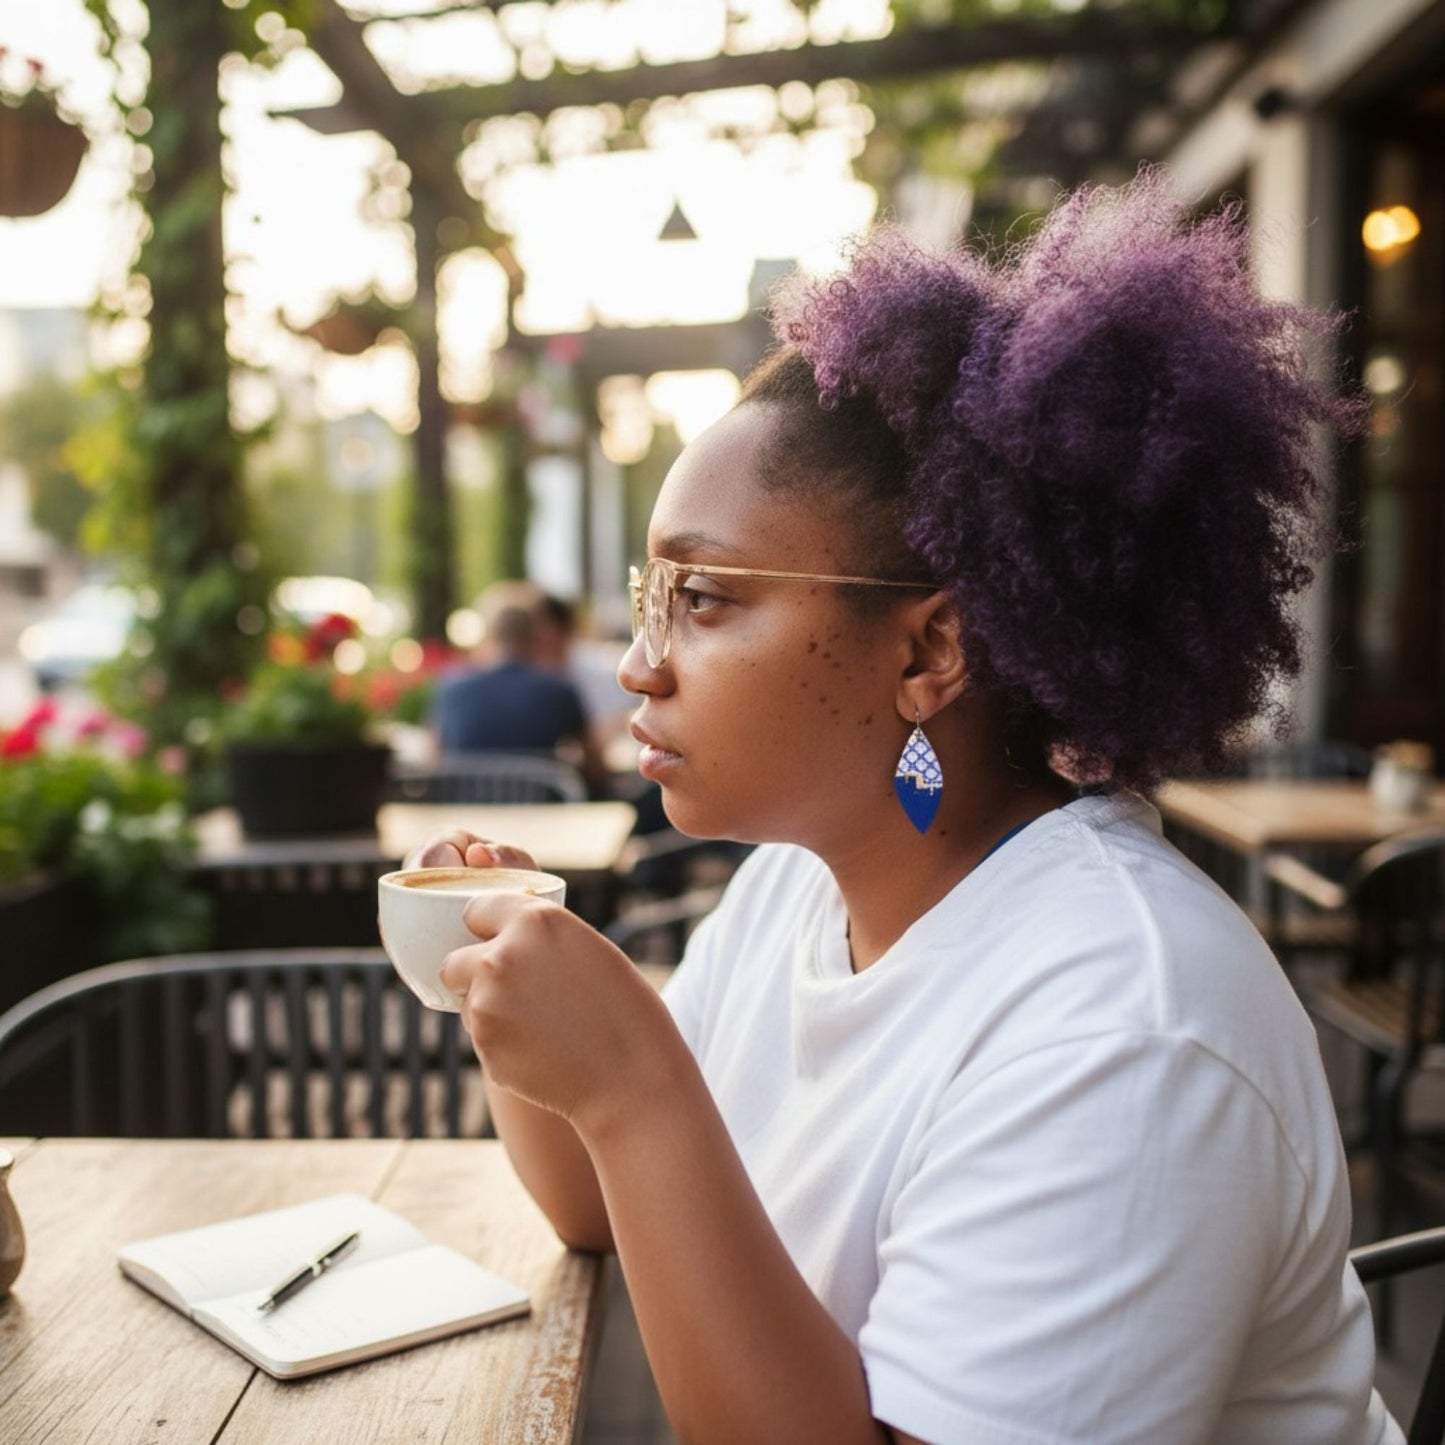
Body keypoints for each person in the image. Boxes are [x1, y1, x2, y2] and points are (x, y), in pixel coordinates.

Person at [408, 171, 1398, 1445]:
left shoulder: (1124, 1022)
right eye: (650, 601)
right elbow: (599, 1211)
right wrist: (510, 992)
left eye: (703, 599)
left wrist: (635, 1086)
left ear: (929, 651)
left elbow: (636, 1145)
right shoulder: (797, 883)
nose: (638, 665)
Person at [429, 581, 603, 785]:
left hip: (463, 810)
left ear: (489, 636)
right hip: (540, 811)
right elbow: (595, 765)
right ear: (535, 638)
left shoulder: (451, 690)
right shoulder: (559, 691)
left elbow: (433, 761)